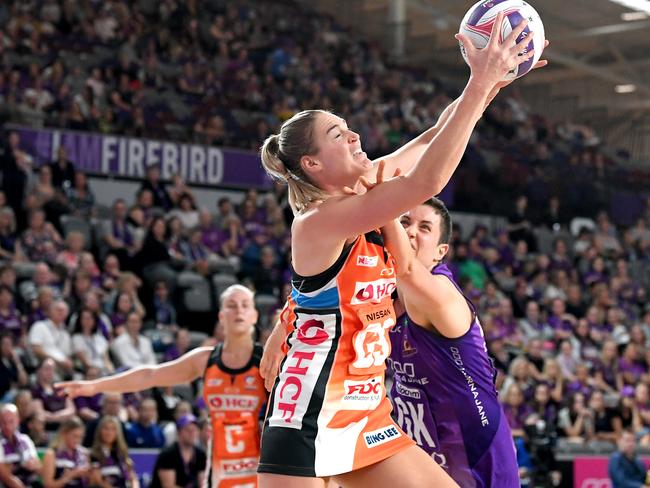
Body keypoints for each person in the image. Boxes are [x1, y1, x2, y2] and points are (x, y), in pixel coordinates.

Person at [257, 14, 544, 487]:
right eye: (338, 135)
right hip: (310, 410)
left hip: (367, 411)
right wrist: (480, 81)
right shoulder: (319, 221)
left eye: (348, 128)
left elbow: (435, 135)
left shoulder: (367, 190)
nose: (354, 136)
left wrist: (494, 79)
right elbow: (427, 181)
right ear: (312, 164)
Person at [56, 284, 268, 487]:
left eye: (245, 305)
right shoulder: (205, 360)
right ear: (221, 316)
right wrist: (95, 386)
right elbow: (150, 375)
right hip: (220, 471)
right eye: (232, 305)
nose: (239, 310)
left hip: (263, 470)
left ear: (255, 315)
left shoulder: (269, 361)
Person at [150, 414, 207, 488]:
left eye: (195, 430)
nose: (192, 433)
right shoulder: (168, 454)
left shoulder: (200, 454)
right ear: (179, 432)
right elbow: (168, 486)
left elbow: (202, 483)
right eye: (188, 430)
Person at [89, 415, 139, 488]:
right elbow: (98, 480)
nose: (109, 432)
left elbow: (133, 477)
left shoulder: (122, 453)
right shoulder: (94, 453)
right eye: (106, 428)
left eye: (113, 429)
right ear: (100, 431)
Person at [41, 416, 92, 488]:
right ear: (64, 434)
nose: (78, 440)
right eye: (75, 436)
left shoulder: (84, 453)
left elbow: (89, 482)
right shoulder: (51, 454)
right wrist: (71, 476)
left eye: (81, 437)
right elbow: (48, 485)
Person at [0, 403, 42, 488]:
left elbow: (38, 466)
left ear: (18, 420)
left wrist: (32, 464)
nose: (7, 426)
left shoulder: (25, 439)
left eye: (11, 421)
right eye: (4, 422)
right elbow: (4, 475)